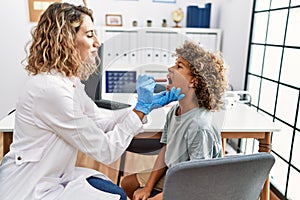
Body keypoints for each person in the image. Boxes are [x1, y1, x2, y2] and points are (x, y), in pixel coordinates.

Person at [0, 3, 184, 200]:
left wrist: (144, 108)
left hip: (53, 176)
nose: (97, 42)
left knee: (114, 192)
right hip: (29, 187)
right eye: (89, 35)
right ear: (66, 41)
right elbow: (105, 151)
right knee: (118, 196)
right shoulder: (51, 91)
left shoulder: (68, 82)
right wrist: (139, 111)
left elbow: (99, 121)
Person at [121, 40, 228, 200]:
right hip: (174, 174)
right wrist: (148, 188)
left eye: (179, 66)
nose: (170, 69)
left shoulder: (199, 125)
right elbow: (165, 150)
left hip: (195, 186)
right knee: (128, 183)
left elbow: (197, 180)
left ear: (193, 81)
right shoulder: (174, 111)